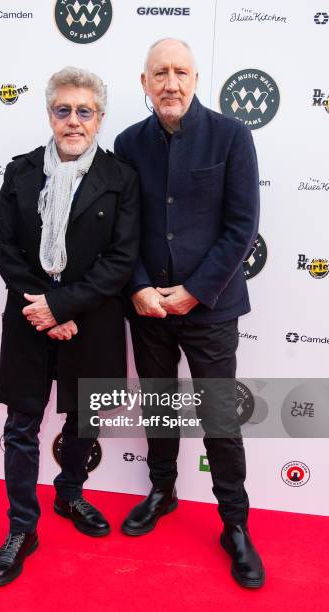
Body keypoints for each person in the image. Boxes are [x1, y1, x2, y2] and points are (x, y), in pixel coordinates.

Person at [114, 39, 265, 588]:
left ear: (196, 78)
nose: (170, 83)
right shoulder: (128, 143)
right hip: (148, 306)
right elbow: (121, 230)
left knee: (219, 418)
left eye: (180, 72)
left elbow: (241, 226)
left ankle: (235, 524)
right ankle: (162, 490)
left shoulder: (232, 136)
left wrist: (195, 292)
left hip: (212, 307)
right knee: (158, 406)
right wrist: (138, 288)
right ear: (144, 82)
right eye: (160, 74)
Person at [0, 66, 139, 586]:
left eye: (85, 111)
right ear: (49, 113)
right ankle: (21, 527)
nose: (74, 121)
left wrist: (64, 307)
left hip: (90, 321)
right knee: (22, 427)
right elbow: (5, 247)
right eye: (63, 110)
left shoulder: (121, 178)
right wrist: (44, 310)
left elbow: (120, 260)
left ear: (99, 118)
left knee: (82, 421)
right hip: (29, 317)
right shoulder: (21, 171)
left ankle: (70, 495)